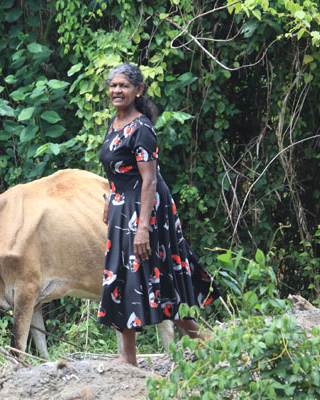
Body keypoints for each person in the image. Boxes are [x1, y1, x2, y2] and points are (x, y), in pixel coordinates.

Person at [96, 62, 220, 366]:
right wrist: (109, 201)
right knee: (121, 278)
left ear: (138, 90)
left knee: (161, 281)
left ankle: (211, 347)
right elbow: (117, 170)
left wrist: (142, 229)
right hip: (121, 211)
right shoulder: (115, 125)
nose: (117, 90)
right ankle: (127, 358)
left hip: (145, 213)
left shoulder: (142, 129)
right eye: (113, 85)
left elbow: (149, 180)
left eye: (124, 85)